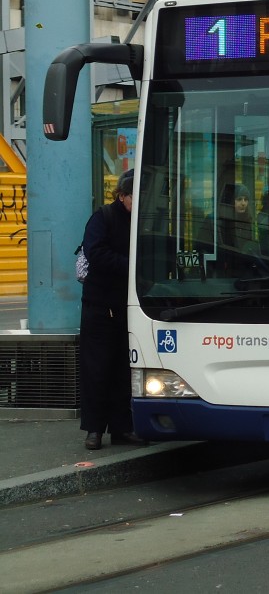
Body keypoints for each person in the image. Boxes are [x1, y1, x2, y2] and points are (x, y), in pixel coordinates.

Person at [79, 169, 142, 450]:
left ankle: (121, 427)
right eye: (133, 197)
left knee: (122, 369)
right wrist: (134, 267)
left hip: (126, 307)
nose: (136, 203)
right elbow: (97, 254)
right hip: (100, 307)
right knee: (97, 369)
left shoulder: (138, 219)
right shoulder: (103, 217)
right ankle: (94, 429)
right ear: (122, 196)